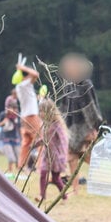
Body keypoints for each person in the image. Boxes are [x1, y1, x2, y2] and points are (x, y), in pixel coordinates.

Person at [57, 53, 103, 189]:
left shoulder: (86, 84)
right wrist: (60, 125)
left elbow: (91, 108)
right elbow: (64, 108)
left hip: (86, 127)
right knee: (72, 157)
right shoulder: (68, 86)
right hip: (72, 128)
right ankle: (75, 189)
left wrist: (96, 127)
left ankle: (103, 176)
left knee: (87, 156)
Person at [35, 98, 70, 203]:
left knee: (55, 178)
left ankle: (64, 196)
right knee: (43, 174)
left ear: (49, 112)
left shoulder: (56, 125)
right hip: (47, 155)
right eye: (39, 111)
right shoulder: (45, 125)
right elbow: (45, 140)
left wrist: (63, 155)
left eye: (42, 111)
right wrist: (36, 144)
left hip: (57, 156)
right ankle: (42, 196)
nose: (40, 113)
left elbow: (63, 140)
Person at [14, 62, 41, 172]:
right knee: (41, 141)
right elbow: (36, 74)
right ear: (27, 75)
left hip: (24, 117)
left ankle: (21, 166)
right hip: (31, 116)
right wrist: (22, 68)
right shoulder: (25, 84)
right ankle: (40, 167)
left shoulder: (20, 86)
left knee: (26, 143)